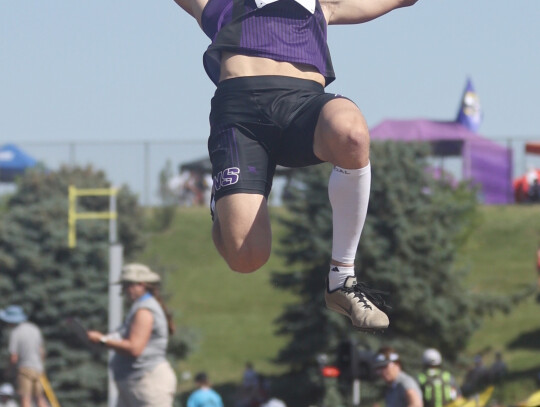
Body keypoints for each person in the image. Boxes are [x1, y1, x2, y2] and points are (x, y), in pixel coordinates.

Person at [172, 0, 419, 332]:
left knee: (353, 135)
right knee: (247, 257)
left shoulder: (323, 5)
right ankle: (223, 198)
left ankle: (342, 280)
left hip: (304, 109)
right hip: (242, 121)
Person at [87, 263, 178, 407]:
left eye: (127, 285)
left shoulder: (144, 310)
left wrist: (103, 340)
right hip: (137, 384)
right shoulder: (140, 308)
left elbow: (135, 348)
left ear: (141, 285)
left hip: (147, 383)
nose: (124, 290)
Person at [0, 305, 48, 407]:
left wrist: (9, 371)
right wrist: (41, 366)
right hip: (38, 368)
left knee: (25, 397)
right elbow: (41, 352)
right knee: (39, 397)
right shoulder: (34, 329)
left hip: (24, 369)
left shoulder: (15, 332)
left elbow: (14, 357)